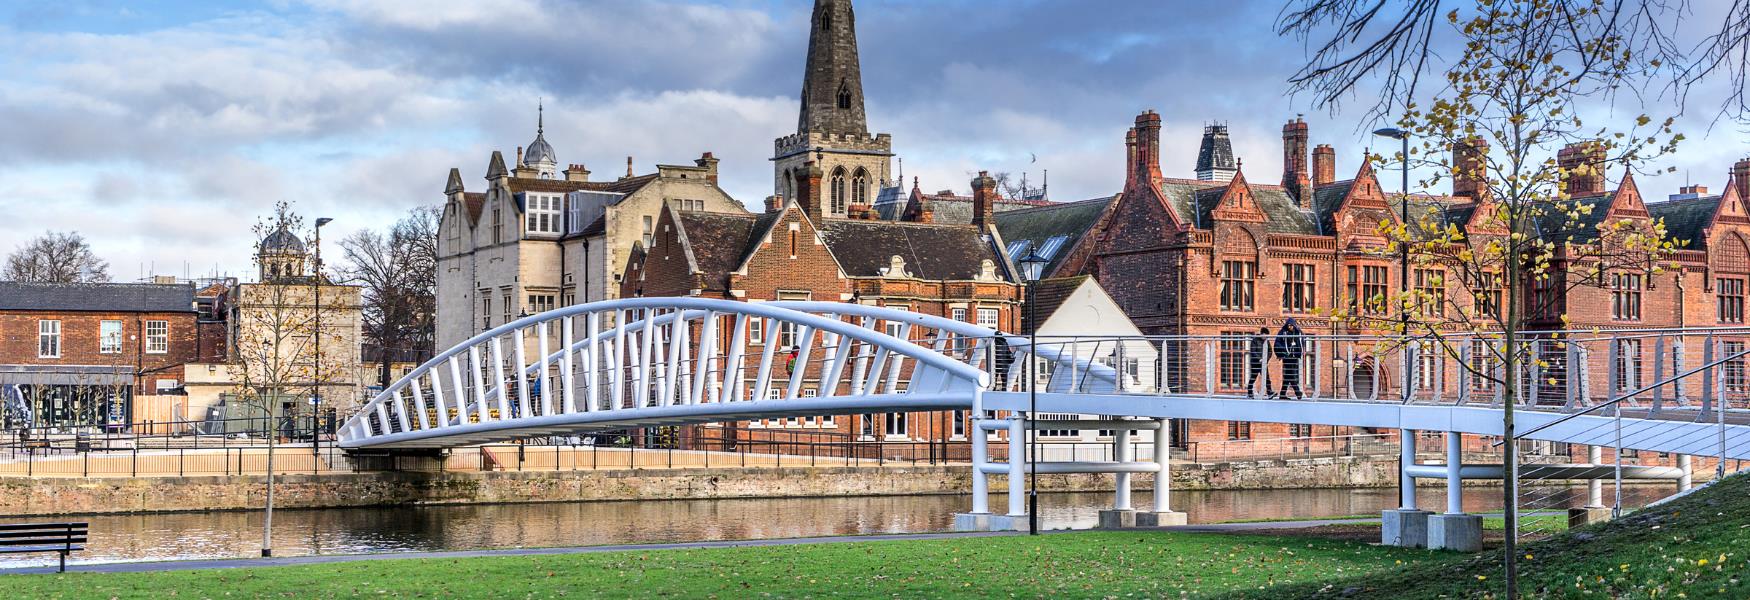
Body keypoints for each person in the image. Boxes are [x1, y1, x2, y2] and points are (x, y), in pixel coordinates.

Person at [1273, 318, 1307, 399]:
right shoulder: (1283, 332)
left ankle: (1283, 394)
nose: (1290, 327)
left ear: (1294, 325)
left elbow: (1302, 342)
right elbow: (1277, 343)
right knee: (1291, 374)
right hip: (1287, 356)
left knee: (1288, 375)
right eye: (1288, 325)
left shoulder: (1298, 332)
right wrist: (1281, 352)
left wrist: (1300, 352)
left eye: (1291, 325)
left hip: (1295, 356)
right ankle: (1297, 392)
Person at [1245, 327, 1270, 398]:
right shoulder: (1255, 340)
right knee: (1253, 378)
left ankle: (1270, 392)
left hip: (1263, 363)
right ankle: (1250, 393)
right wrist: (1259, 359)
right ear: (1262, 334)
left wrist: (1266, 359)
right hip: (1255, 363)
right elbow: (1253, 351)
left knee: (1267, 378)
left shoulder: (1266, 341)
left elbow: (1270, 351)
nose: (1266, 337)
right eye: (1266, 336)